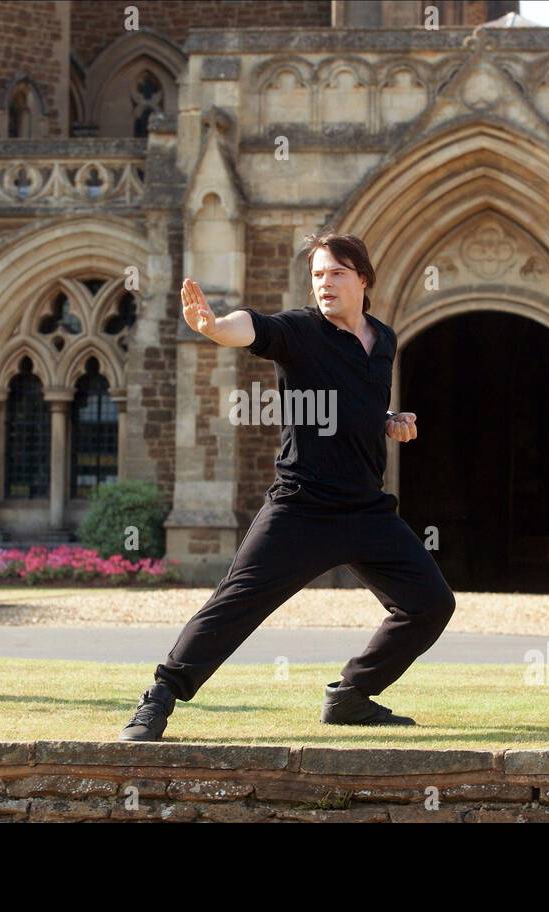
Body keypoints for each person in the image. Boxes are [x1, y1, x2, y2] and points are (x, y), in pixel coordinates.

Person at [119, 232, 456, 741]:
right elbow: (253, 327)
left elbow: (356, 401)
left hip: (367, 509)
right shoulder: (300, 331)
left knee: (432, 603)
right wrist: (214, 327)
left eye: (336, 273)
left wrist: (388, 420)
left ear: (362, 279)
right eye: (317, 275)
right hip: (302, 506)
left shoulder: (382, 339)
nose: (325, 283)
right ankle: (158, 698)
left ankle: (351, 696)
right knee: (236, 603)